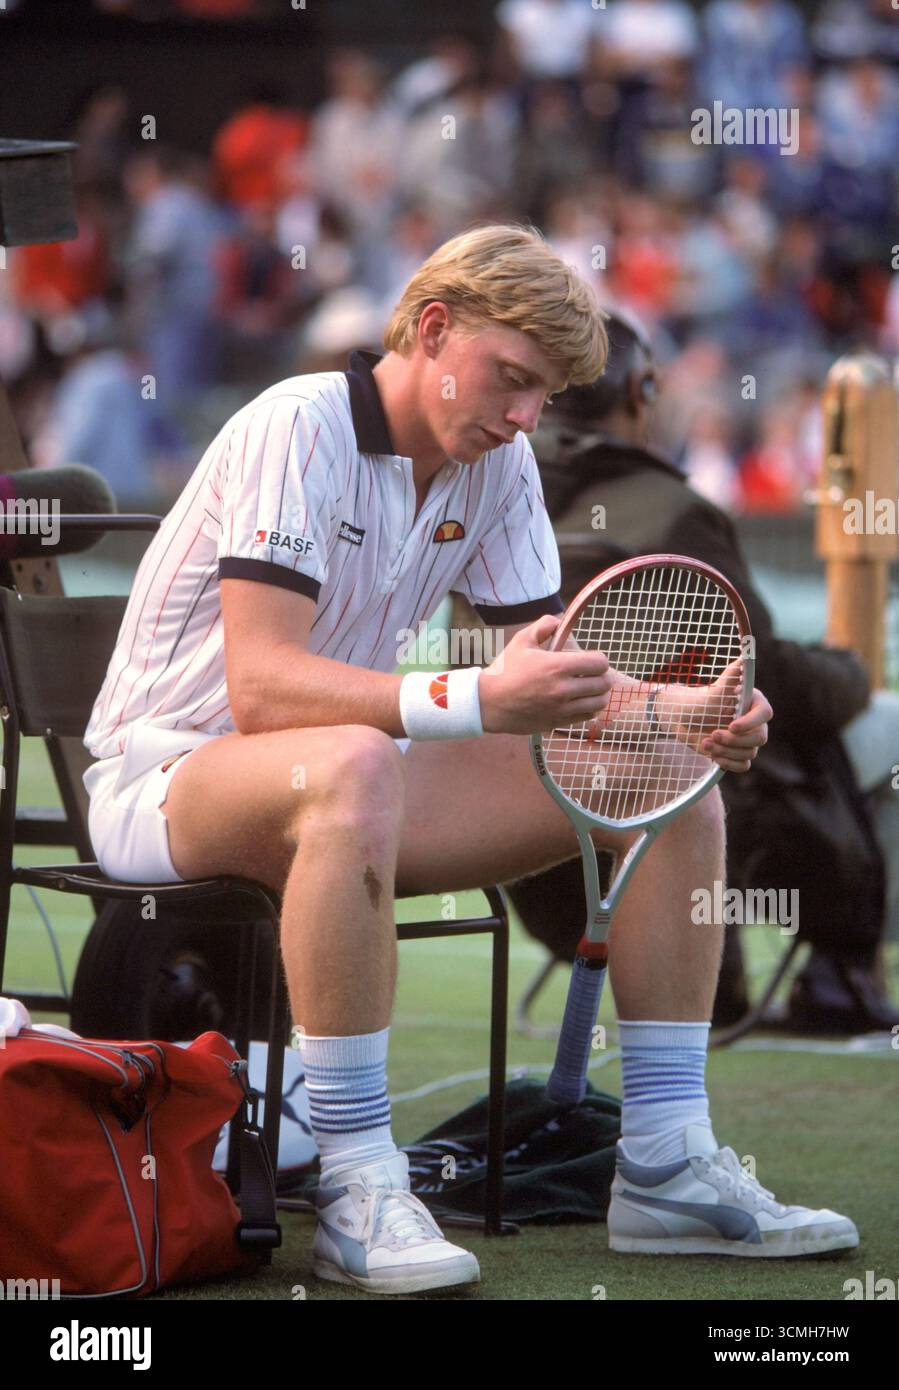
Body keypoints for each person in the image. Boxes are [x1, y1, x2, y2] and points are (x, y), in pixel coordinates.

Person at [81, 226, 851, 1299]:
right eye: (512, 379)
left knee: (655, 772)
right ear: (433, 328)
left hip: (350, 785)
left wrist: (684, 711)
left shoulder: (497, 466)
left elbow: (557, 684)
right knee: (355, 761)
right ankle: (356, 1177)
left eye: (544, 394)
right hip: (164, 777)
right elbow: (261, 688)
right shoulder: (294, 426)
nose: (526, 415)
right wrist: (475, 695)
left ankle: (666, 1163)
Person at [520, 308, 899, 1034]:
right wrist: (849, 673)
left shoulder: (494, 494)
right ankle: (839, 966)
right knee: (879, 720)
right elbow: (768, 682)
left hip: (536, 837)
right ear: (641, 390)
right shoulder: (672, 509)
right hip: (702, 813)